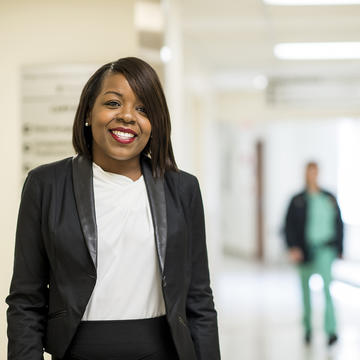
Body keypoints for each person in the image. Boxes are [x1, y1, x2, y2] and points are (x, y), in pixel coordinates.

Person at [6, 57, 221, 360]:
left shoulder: (182, 189)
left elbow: (199, 300)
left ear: (154, 123)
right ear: (88, 113)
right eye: (113, 103)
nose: (128, 116)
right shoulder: (46, 185)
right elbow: (25, 302)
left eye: (143, 109)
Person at [284, 161, 343, 346]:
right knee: (305, 292)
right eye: (310, 172)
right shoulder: (297, 200)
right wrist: (292, 247)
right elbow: (288, 226)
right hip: (305, 251)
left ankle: (331, 330)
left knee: (327, 290)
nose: (313, 175)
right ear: (305, 174)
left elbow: (338, 223)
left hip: (326, 250)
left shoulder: (328, 198)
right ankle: (308, 328)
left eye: (315, 172)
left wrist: (340, 248)